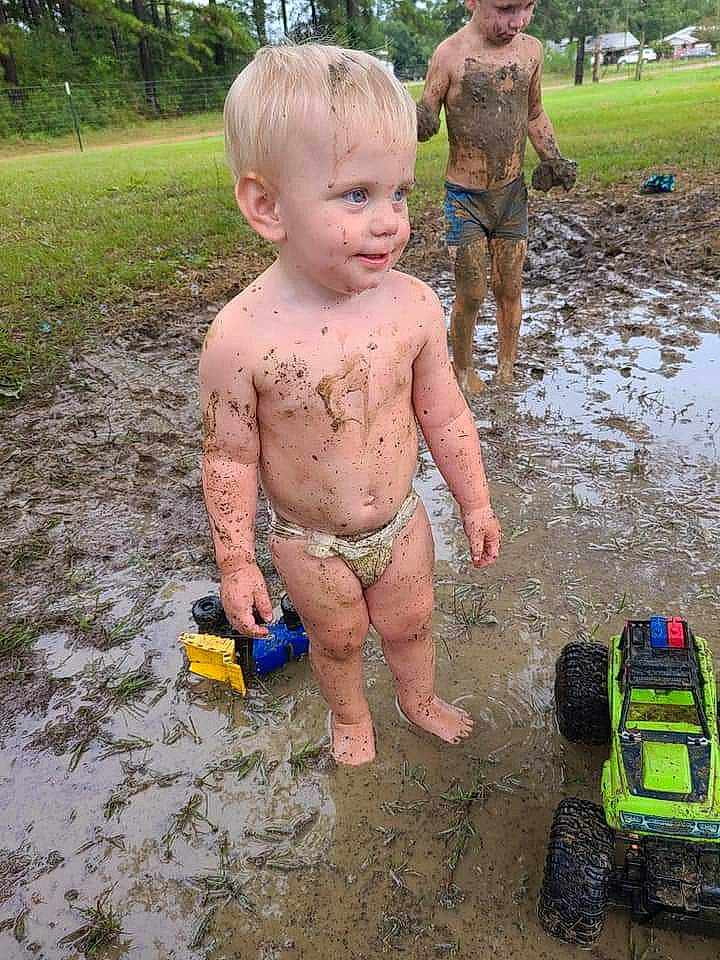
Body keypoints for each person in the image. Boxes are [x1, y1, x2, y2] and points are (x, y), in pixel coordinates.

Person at [200, 43, 501, 766]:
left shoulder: (413, 307)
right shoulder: (240, 339)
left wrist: (475, 503)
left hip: (399, 522)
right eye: (357, 195)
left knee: (413, 620)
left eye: (400, 193)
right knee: (335, 640)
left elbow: (445, 415)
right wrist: (237, 561)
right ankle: (350, 716)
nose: (389, 220)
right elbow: (229, 458)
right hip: (309, 540)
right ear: (268, 206)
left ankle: (417, 698)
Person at [417, 0, 576, 391]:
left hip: (511, 197)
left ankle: (506, 369)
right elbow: (425, 117)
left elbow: (534, 113)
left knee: (509, 286)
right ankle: (462, 371)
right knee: (471, 292)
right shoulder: (450, 54)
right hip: (465, 200)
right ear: (472, 2)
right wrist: (414, 118)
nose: (517, 22)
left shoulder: (531, 51)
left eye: (527, 8)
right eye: (505, 9)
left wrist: (553, 159)